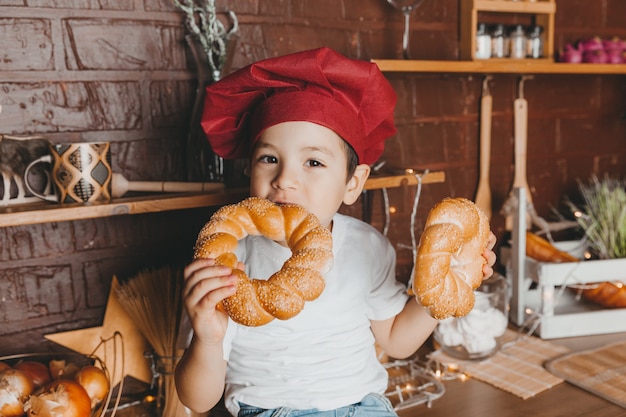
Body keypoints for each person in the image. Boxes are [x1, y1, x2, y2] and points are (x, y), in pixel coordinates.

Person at [175, 47, 497, 417]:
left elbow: (396, 340)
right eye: (269, 159)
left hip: (365, 408)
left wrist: (448, 280)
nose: (285, 180)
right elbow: (196, 400)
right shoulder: (229, 259)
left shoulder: (367, 245)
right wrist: (207, 339)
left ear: (353, 183)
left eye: (313, 161)